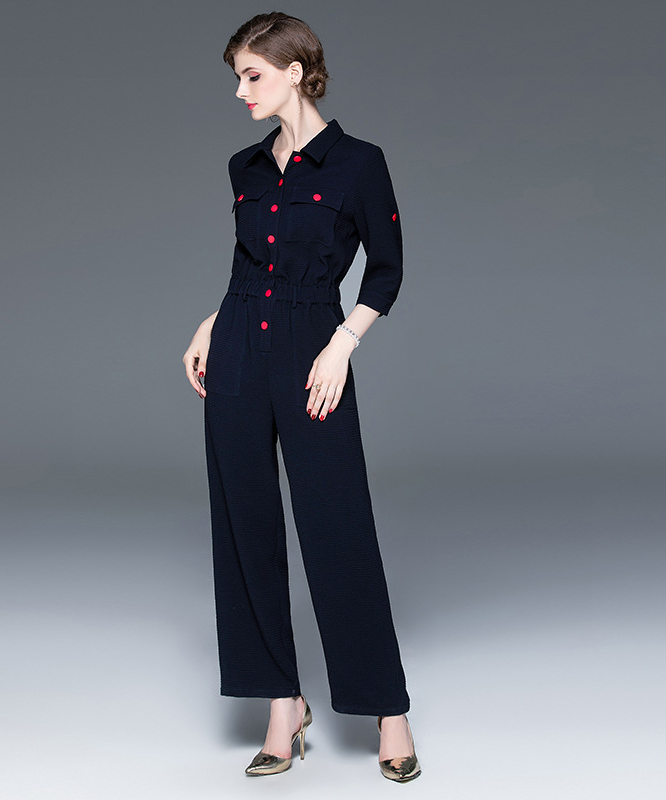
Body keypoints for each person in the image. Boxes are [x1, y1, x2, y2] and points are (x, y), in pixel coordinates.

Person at [182, 12, 421, 782]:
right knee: (244, 523)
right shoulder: (246, 167)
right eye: (236, 78)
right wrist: (210, 323)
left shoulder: (358, 163)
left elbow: (386, 269)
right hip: (239, 347)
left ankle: (388, 708)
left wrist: (343, 343)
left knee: (337, 522)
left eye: (251, 75)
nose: (240, 92)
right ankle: (282, 704)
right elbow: (247, 263)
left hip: (315, 347)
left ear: (294, 70)